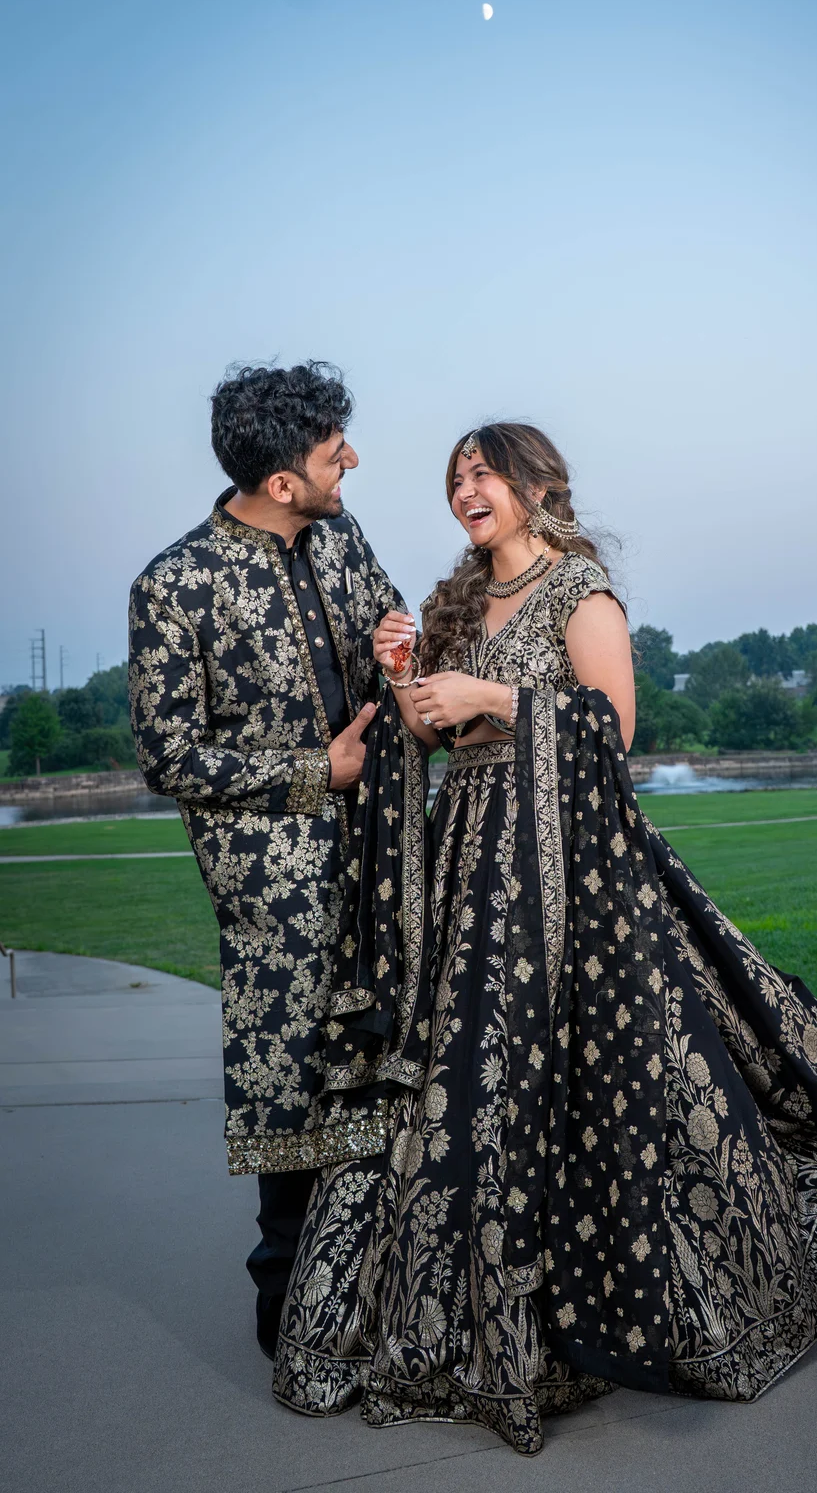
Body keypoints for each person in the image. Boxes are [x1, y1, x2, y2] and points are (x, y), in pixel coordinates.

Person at [271, 422, 817, 1453]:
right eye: (455, 475)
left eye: (485, 473)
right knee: (452, 1081)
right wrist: (405, 684)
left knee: (560, 1070)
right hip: (468, 857)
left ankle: (585, 1310)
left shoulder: (580, 592)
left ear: (536, 485)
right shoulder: (458, 599)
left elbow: (611, 727)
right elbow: (432, 735)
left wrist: (486, 693)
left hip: (563, 871)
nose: (466, 488)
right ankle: (453, 1324)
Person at [128, 362, 403, 1361]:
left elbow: (387, 636)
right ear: (282, 481)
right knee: (290, 1095)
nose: (353, 463)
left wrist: (397, 645)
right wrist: (310, 772)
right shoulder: (173, 585)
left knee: (386, 1084)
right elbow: (167, 755)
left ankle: (387, 1301)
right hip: (271, 895)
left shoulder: (344, 538)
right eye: (336, 453)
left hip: (383, 865)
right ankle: (294, 1327)